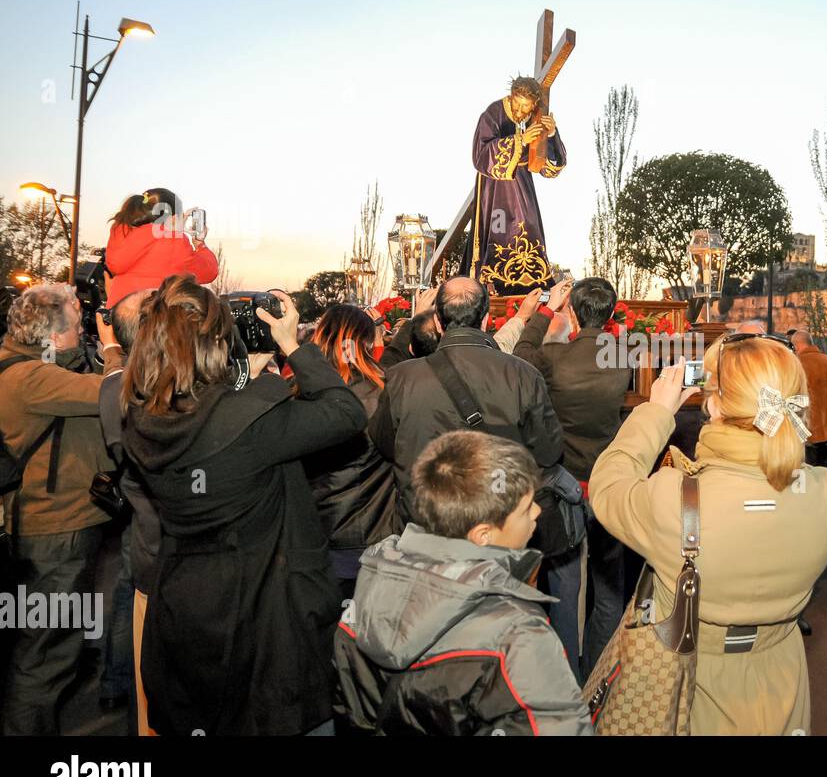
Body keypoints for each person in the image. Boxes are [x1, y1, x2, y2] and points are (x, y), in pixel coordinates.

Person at [121, 276, 367, 735]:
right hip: (264, 623)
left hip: (187, 610)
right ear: (219, 342)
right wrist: (292, 345)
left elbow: (207, 419)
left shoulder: (141, 419)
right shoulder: (253, 419)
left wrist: (244, 381)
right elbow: (345, 414)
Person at [590, 346, 827, 735]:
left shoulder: (674, 500)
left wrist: (656, 412)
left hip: (690, 682)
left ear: (714, 409)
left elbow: (608, 486)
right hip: (783, 680)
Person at [333, 430, 590, 735]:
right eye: (524, 509)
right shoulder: (516, 632)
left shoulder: (367, 593)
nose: (537, 511)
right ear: (484, 534)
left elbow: (354, 714)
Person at [0, 284, 124, 735]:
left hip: (56, 526)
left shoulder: (31, 362)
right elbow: (117, 391)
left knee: (50, 647)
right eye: (76, 327)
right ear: (53, 338)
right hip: (55, 533)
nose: (82, 333)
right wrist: (112, 347)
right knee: (47, 656)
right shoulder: (30, 378)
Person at [369, 276, 564, 524]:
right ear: (484, 320)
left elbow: (385, 443)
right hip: (495, 519)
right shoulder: (523, 374)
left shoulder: (400, 378)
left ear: (438, 322)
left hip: (426, 521)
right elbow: (548, 452)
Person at [512, 276, 632, 680]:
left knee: (565, 587)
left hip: (564, 483)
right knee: (610, 585)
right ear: (611, 312)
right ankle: (602, 673)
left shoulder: (551, 357)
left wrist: (545, 311)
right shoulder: (623, 356)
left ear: (574, 313)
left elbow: (520, 352)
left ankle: (567, 679)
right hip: (608, 482)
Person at [300, 305, 402, 597]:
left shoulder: (297, 389)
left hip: (314, 537)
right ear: (367, 342)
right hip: (374, 535)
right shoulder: (384, 392)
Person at [97, 289, 161, 735]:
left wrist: (110, 348)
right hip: (165, 545)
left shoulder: (112, 385)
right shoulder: (162, 390)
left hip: (141, 534)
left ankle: (117, 681)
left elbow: (119, 374)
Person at [462, 76, 567, 294]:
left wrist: (552, 134)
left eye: (526, 106)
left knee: (529, 226)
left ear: (534, 105)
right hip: (496, 188)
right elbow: (480, 154)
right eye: (517, 104)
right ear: (511, 96)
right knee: (498, 230)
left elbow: (549, 168)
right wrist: (519, 141)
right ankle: (494, 283)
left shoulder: (535, 119)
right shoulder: (493, 114)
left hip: (523, 186)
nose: (520, 111)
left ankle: (534, 284)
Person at [104, 189, 218, 307]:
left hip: (119, 319)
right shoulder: (174, 243)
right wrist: (200, 244)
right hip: (155, 320)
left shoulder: (122, 234)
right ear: (173, 219)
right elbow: (209, 271)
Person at [792, 330, 827, 470]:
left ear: (796, 346)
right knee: (823, 474)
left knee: (803, 479)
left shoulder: (796, 363)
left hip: (803, 431)